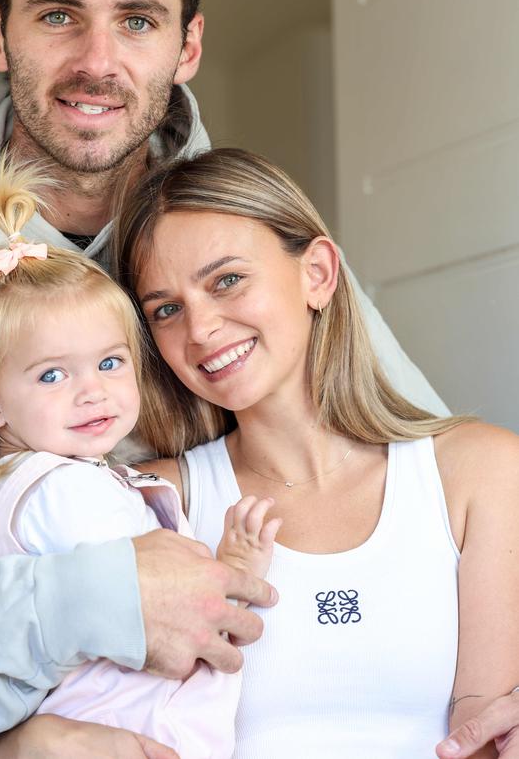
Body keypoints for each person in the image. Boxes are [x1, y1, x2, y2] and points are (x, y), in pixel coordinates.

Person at [0, 0, 445, 755]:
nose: (97, 61)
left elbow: (424, 477)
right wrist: (10, 737)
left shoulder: (254, 242)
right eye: (59, 14)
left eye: (137, 21)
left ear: (188, 47)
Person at [111, 147, 519, 758]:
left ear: (318, 274)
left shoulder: (479, 472)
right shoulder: (148, 503)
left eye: (227, 280)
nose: (199, 330)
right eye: (166, 310)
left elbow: (486, 734)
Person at [0, 164, 279, 759]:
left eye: (111, 363)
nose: (91, 391)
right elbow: (166, 602)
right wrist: (232, 568)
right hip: (128, 730)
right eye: (51, 374)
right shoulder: (65, 493)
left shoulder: (36, 485)